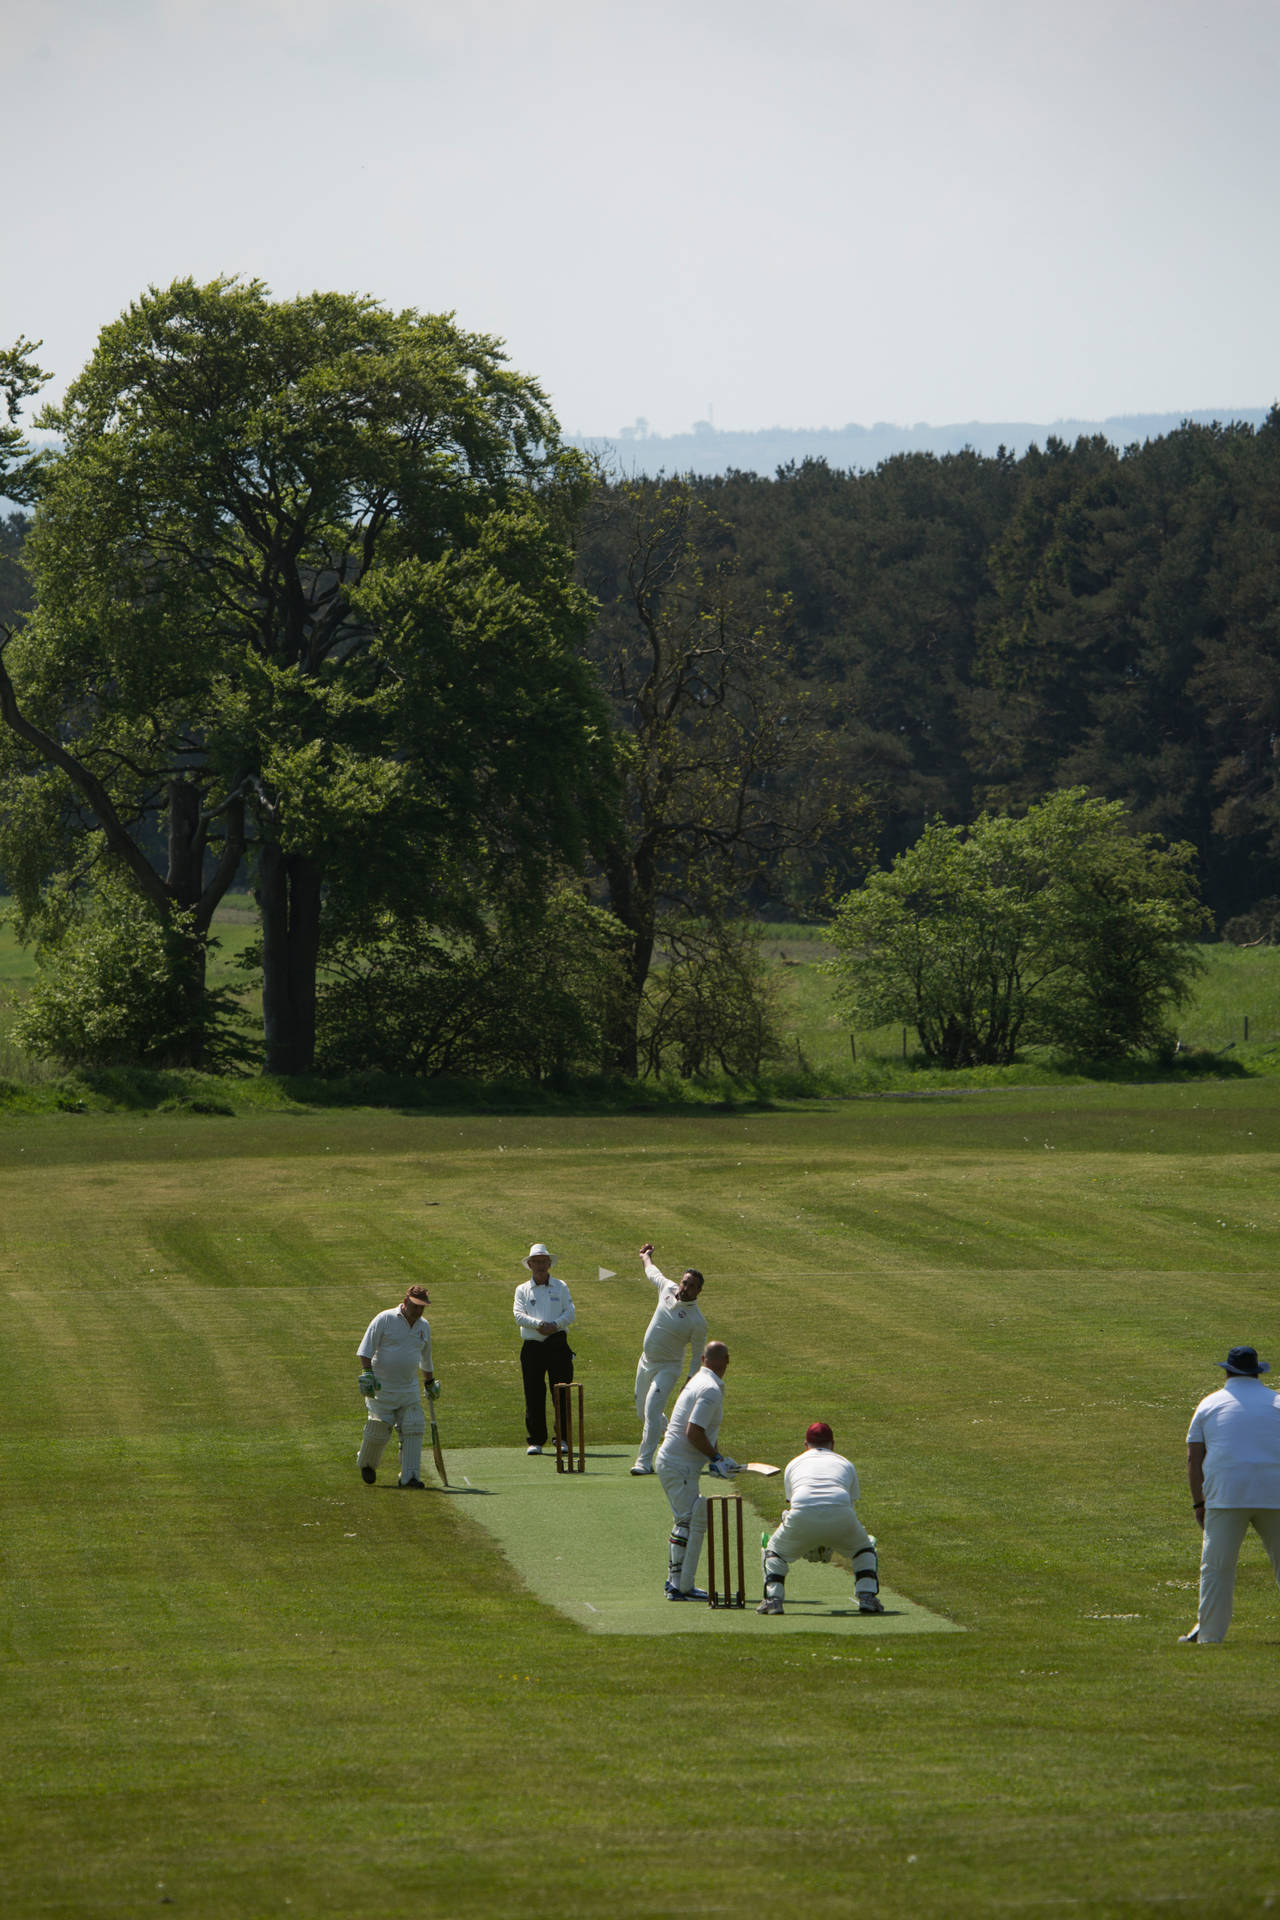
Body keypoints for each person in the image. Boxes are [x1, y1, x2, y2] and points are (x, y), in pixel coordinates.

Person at [1179, 1345, 1280, 1644]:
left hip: (1226, 1495)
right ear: (1257, 1372)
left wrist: (1199, 1502)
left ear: (1227, 1371)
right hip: (1275, 1492)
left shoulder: (1209, 1404)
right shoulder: (1277, 1402)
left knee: (1217, 1568)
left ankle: (1209, 1635)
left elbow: (1193, 1458)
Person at [757, 1421, 882, 1617]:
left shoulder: (794, 1463)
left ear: (805, 1445)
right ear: (833, 1444)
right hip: (841, 1514)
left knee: (774, 1552)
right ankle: (867, 1597)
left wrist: (810, 1541)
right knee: (864, 1549)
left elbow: (795, 1506)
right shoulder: (845, 1463)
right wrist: (831, 1540)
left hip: (802, 1514)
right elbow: (848, 1506)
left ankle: (773, 1600)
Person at [655, 1340, 739, 1599]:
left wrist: (717, 1457)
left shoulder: (698, 1382)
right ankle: (678, 1586)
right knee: (689, 1521)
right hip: (677, 1465)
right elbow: (693, 1432)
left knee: (688, 1519)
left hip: (678, 1464)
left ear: (703, 1359)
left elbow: (704, 1430)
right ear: (726, 1360)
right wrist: (715, 1457)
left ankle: (678, 1583)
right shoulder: (710, 1389)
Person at [630, 1242, 709, 1476]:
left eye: (692, 1286)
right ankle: (666, 1428)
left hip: (668, 1368)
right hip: (646, 1361)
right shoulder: (667, 1288)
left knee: (652, 1410)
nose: (686, 1288)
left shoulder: (697, 1321)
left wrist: (690, 1380)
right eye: (685, 1282)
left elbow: (697, 1356)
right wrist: (645, 1256)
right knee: (642, 1413)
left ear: (698, 1292)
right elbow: (652, 1272)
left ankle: (643, 1462)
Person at [355, 1284, 440, 1489]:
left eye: (422, 1307)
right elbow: (365, 1350)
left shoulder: (423, 1326)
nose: (419, 1311)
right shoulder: (385, 1319)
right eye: (416, 1306)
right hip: (382, 1387)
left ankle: (410, 1476)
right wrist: (368, 1373)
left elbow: (425, 1359)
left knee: (413, 1425)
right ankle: (367, 1464)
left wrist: (429, 1382)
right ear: (405, 1302)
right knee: (379, 1429)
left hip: (408, 1388)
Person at [513, 1241, 576, 1455]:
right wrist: (539, 1325)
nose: (540, 1265)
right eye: (536, 1262)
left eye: (543, 1261)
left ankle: (563, 1439)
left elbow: (570, 1313)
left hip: (557, 1344)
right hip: (533, 1346)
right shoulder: (522, 1289)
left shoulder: (561, 1286)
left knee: (561, 1391)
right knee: (533, 1392)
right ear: (530, 1264)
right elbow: (518, 1315)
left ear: (549, 1263)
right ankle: (536, 1440)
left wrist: (554, 1326)